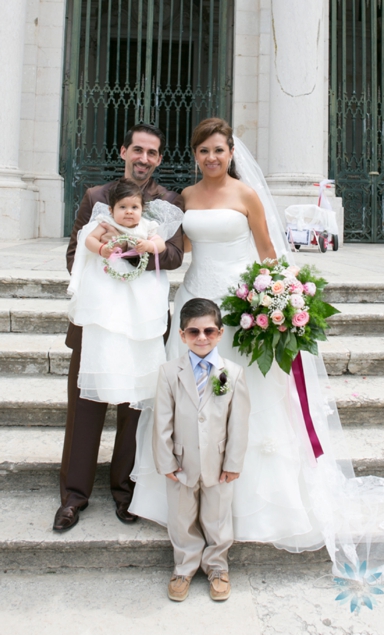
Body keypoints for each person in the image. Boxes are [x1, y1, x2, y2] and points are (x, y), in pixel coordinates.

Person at [129, 118, 384, 580]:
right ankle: (185, 497)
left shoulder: (246, 196)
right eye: (203, 151)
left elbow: (268, 253)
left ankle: (248, 505)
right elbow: (178, 249)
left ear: (231, 153)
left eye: (219, 150)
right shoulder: (185, 198)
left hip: (242, 311)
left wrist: (279, 300)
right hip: (195, 308)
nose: (211, 158)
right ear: (194, 155)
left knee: (241, 403)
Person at [56, 123, 185, 532]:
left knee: (135, 410)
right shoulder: (96, 197)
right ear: (123, 151)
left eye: (152, 152)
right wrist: (106, 265)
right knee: (85, 408)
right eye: (137, 150)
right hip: (98, 320)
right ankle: (73, 496)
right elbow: (76, 251)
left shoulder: (168, 202)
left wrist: (134, 256)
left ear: (159, 159)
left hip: (143, 322)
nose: (143, 158)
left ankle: (125, 492)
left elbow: (177, 255)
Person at [153, 298, 249, 602]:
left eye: (209, 330)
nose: (202, 337)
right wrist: (166, 460)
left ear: (220, 333)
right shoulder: (169, 372)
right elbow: (162, 421)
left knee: (218, 517)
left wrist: (233, 462)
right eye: (193, 332)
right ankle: (184, 567)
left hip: (218, 462)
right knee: (182, 518)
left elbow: (239, 423)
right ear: (182, 335)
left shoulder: (232, 373)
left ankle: (218, 567)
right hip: (181, 462)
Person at [67, 178, 181, 410]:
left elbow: (161, 245)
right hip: (107, 290)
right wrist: (102, 248)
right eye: (123, 207)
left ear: (142, 209)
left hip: (137, 294)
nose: (129, 212)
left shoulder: (147, 226)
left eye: (134, 208)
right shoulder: (106, 222)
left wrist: (148, 246)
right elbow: (86, 240)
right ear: (111, 210)